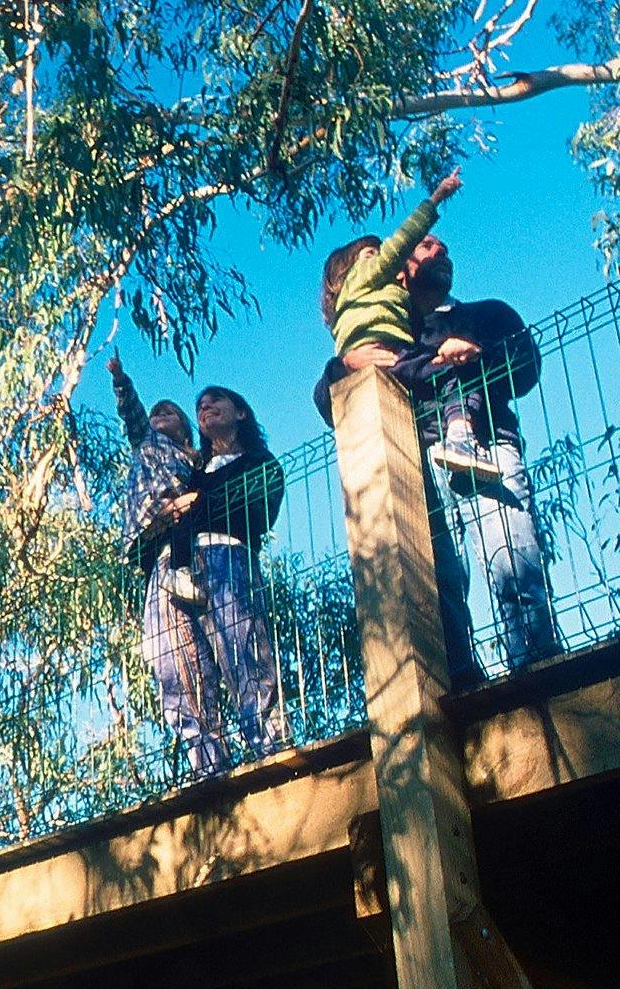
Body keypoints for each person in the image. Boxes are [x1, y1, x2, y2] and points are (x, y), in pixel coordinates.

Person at [314, 236, 560, 681]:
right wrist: (344, 365)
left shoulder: (486, 314)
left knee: (511, 560)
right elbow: (327, 402)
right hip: (416, 470)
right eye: (425, 245)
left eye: (444, 247)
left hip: (487, 448)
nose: (440, 249)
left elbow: (526, 367)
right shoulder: (392, 333)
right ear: (400, 267)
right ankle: (463, 684)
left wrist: (476, 354)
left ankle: (537, 673)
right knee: (438, 583)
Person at [110, 357, 229, 777]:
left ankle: (222, 752)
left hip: (191, 549)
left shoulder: (195, 460)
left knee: (203, 659)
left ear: (184, 427)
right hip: (157, 544)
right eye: (156, 411)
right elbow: (133, 414)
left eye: (170, 412)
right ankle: (203, 759)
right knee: (170, 663)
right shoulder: (146, 444)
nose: (160, 416)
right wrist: (121, 380)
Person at [188, 384, 290, 760]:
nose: (206, 406)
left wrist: (199, 507)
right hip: (187, 570)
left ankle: (269, 745)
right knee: (196, 666)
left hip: (232, 558)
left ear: (241, 413)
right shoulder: (193, 473)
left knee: (244, 651)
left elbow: (257, 514)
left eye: (216, 400)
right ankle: (208, 761)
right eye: (200, 405)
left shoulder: (260, 463)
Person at [320, 169, 466, 366]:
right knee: (437, 368)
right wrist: (435, 199)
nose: (382, 260)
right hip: (394, 355)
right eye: (371, 254)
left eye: (444, 250)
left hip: (387, 365)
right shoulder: (364, 275)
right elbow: (401, 242)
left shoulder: (465, 314)